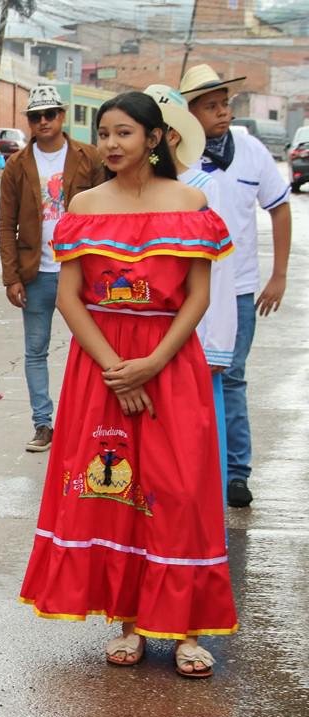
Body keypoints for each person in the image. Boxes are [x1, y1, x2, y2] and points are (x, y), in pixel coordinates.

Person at [19, 92, 238, 678]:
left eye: (125, 133)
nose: (112, 145)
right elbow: (69, 297)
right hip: (102, 369)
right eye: (106, 133)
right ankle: (130, 623)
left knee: (181, 490)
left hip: (172, 366)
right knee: (118, 494)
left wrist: (152, 364)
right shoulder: (84, 206)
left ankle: (187, 629)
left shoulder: (191, 203)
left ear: (155, 137)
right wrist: (119, 370)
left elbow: (198, 296)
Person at [180, 64, 292, 508]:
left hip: (239, 290)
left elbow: (279, 209)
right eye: (211, 106)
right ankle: (192, 467)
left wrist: (278, 275)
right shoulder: (174, 158)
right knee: (184, 380)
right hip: (184, 290)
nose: (222, 113)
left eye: (225, 104)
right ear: (188, 115)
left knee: (231, 378)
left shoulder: (250, 151)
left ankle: (235, 472)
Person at [144, 83, 235, 510]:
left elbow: (217, 275)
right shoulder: (133, 189)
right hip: (146, 336)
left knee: (194, 439)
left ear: (169, 136)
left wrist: (216, 344)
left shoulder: (202, 190)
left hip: (193, 338)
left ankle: (202, 528)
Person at [0, 85, 104, 453]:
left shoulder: (89, 157)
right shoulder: (16, 165)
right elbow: (5, 223)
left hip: (83, 269)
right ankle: (43, 424)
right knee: (36, 350)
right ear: (28, 121)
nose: (42, 122)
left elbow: (109, 212)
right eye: (35, 116)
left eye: (49, 114)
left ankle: (90, 424)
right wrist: (11, 276)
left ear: (62, 116)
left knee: (93, 349)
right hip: (36, 272)